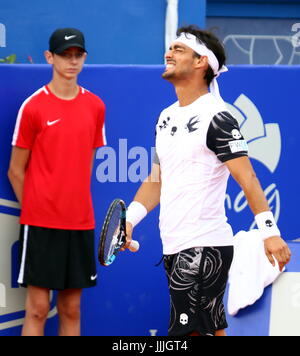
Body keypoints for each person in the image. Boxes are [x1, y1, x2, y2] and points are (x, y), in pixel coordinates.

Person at [124, 25, 291, 337]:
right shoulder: (166, 116)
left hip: (204, 247)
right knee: (210, 331)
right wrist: (131, 219)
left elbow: (247, 177)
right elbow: (157, 178)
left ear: (201, 62)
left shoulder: (217, 116)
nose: (168, 54)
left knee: (186, 335)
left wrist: (270, 232)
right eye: (169, 48)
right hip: (176, 246)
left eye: (178, 49)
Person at [7, 28, 106, 336]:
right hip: (40, 225)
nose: (72, 61)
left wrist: (69, 204)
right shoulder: (33, 106)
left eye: (78, 55)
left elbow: (85, 167)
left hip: (79, 223)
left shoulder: (95, 107)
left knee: (71, 309)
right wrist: (37, 209)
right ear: (50, 57)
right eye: (65, 55)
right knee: (37, 309)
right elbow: (15, 170)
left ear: (85, 58)